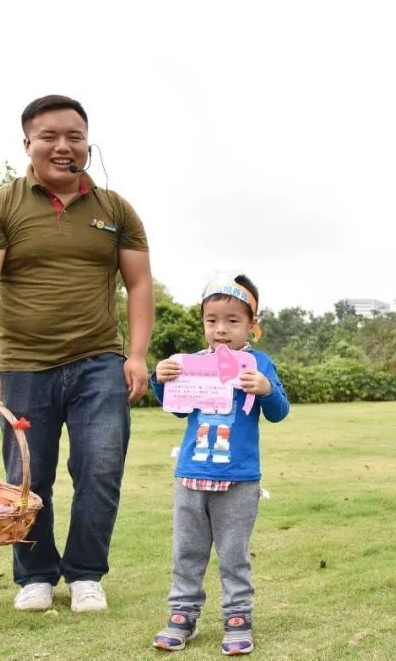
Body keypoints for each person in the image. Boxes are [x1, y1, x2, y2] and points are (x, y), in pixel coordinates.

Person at [0, 94, 153, 613]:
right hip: (22, 367)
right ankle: (36, 576)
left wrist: (136, 355)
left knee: (101, 469)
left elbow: (139, 285)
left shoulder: (116, 210)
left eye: (75, 136)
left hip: (99, 362)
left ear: (88, 143)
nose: (63, 146)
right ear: (28, 143)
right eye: (49, 136)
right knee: (28, 475)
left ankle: (87, 574)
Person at [150, 273, 289, 655]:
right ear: (204, 324)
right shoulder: (191, 363)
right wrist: (160, 379)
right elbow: (176, 409)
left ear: (252, 327)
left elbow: (279, 411)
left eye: (233, 321)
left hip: (239, 479)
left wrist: (266, 388)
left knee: (233, 554)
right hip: (191, 476)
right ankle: (181, 616)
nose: (221, 330)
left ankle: (238, 618)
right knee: (187, 552)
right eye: (212, 321)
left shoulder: (258, 364)